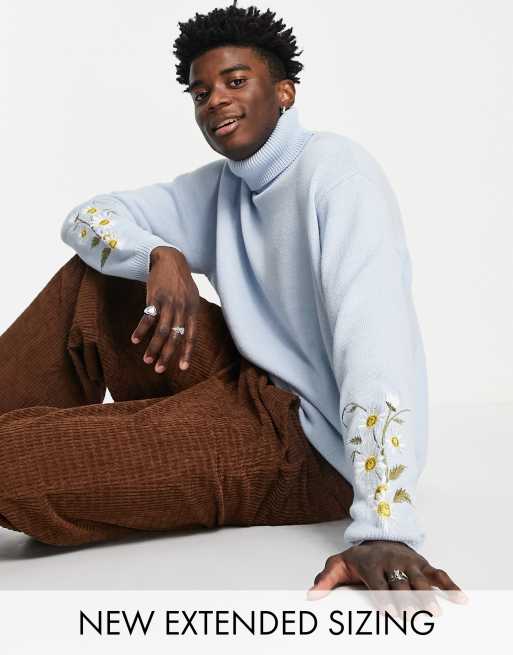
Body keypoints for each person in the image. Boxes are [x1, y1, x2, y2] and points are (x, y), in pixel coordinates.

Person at [0, 1, 466, 613]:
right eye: (201, 93)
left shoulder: (338, 176)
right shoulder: (225, 184)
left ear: (284, 92)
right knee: (97, 281)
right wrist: (158, 254)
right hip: (249, 383)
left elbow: (374, 345)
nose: (215, 100)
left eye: (236, 81)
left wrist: (386, 527)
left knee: (10, 462)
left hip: (309, 449)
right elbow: (86, 218)